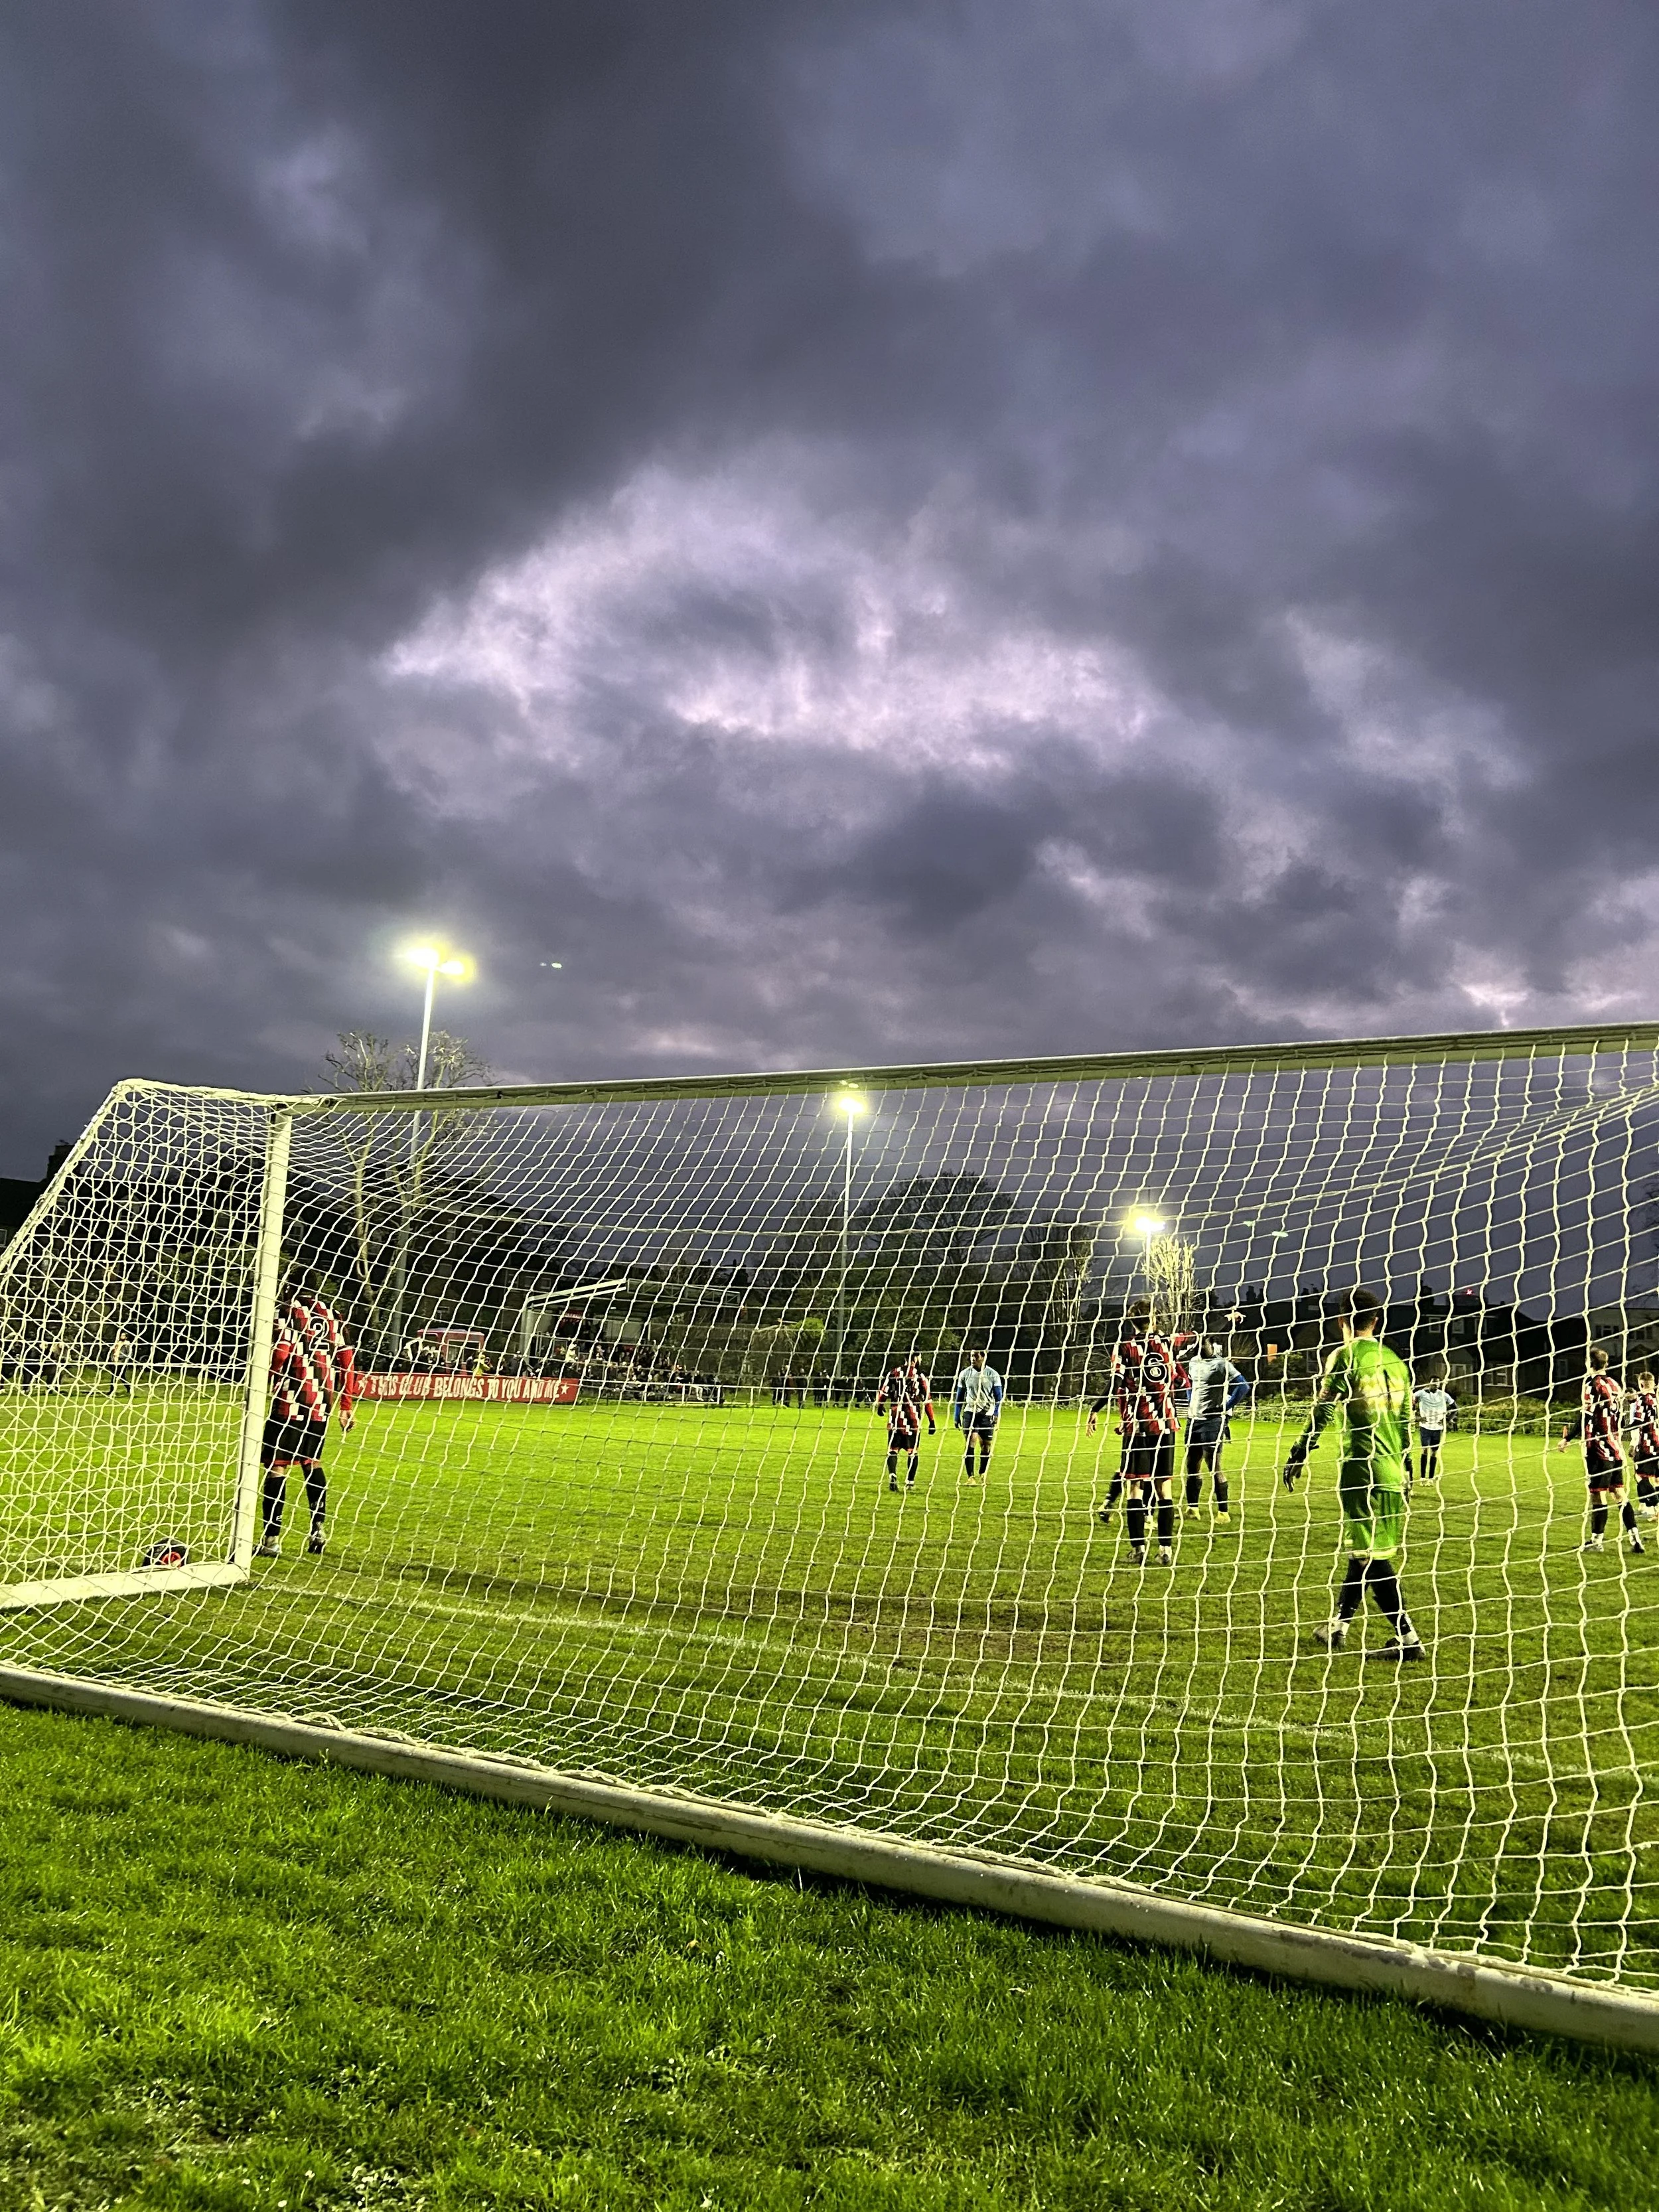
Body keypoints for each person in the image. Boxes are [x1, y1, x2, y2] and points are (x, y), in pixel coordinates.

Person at [1283, 1288, 1426, 1660]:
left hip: (1362, 1467)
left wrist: (1301, 1449)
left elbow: (1324, 1408)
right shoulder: (1396, 1361)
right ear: (1376, 1320)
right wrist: (1407, 1466)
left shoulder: (1343, 1356)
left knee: (1373, 1555)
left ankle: (1408, 1640)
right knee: (1366, 1551)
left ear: (1341, 1319)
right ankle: (1339, 1626)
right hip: (1394, 1468)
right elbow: (1408, 1419)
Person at [255, 1290, 356, 1559]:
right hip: (322, 1402)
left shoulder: (289, 1312)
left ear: (291, 1289)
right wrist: (345, 1406)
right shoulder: (334, 1317)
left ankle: (272, 1539)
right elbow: (347, 1364)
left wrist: (266, 1379)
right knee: (312, 1463)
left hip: (290, 1400)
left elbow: (281, 1353)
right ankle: (318, 1529)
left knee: (278, 1467)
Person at [1089, 1308, 1192, 1564]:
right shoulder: (1168, 1342)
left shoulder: (1125, 1347)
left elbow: (1115, 1383)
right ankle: (1165, 1552)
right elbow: (1198, 1336)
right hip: (1167, 1426)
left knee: (1135, 1488)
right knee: (1164, 1489)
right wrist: (1228, 1320)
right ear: (1154, 1319)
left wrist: (1095, 1408)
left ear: (1131, 1320)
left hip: (1138, 1428)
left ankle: (1138, 1551)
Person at [1559, 1347, 1644, 1556]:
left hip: (1598, 1449)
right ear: (1606, 1364)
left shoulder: (1591, 1384)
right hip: (1616, 1450)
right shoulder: (1615, 1385)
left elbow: (1587, 1416)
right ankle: (1635, 1538)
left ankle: (1597, 1541)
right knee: (1619, 1494)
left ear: (1589, 1364)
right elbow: (1621, 1418)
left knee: (1598, 1496)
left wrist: (1567, 1438)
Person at [1182, 1337, 1248, 1520]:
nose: (1198, 1347)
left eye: (1202, 1344)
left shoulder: (1221, 1364)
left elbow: (1243, 1386)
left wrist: (1226, 1406)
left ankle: (1223, 1513)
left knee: (1214, 1466)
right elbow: (1189, 1383)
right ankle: (1193, 1509)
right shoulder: (1193, 1362)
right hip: (1193, 1420)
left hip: (1213, 1421)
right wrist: (1191, 1402)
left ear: (1210, 1344)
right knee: (1192, 1464)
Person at [876, 1360, 935, 1491]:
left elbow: (884, 1392)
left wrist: (880, 1406)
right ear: (916, 1358)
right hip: (913, 1418)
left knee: (893, 1450)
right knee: (912, 1452)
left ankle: (892, 1475)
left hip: (895, 1417)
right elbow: (927, 1400)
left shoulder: (894, 1372)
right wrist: (932, 1421)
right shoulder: (920, 1375)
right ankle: (910, 1482)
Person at [952, 1348, 1003, 1482]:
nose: (972, 1358)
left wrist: (996, 1412)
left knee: (986, 1446)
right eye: (971, 1356)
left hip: (987, 1414)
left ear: (983, 1357)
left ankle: (982, 1473)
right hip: (970, 1413)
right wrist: (957, 1415)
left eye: (975, 1356)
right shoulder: (965, 1374)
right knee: (971, 1441)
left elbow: (999, 1397)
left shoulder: (993, 1375)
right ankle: (970, 1477)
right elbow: (959, 1397)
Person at [1411, 1372, 1455, 1486]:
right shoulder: (1421, 1393)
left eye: (1437, 1384)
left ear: (1439, 1385)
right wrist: (1416, 1417)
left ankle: (1430, 1479)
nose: (1435, 1386)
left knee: (1434, 1453)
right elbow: (1411, 1402)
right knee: (1425, 1450)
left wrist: (1448, 1419)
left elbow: (1455, 1408)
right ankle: (1422, 1478)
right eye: (1433, 1384)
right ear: (1429, 1384)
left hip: (1437, 1428)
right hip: (1425, 1427)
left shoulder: (1444, 1395)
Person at [1626, 1370, 1659, 1520]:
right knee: (1656, 1478)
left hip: (1648, 1444)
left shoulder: (1643, 1399)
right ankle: (1649, 1509)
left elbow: (1639, 1421)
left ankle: (1655, 1508)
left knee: (1641, 1477)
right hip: (1657, 1443)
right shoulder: (1656, 1398)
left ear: (1641, 1384)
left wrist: (1622, 1428)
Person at [104, 1330, 135, 1396]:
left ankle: (128, 1388)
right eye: (121, 1335)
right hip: (115, 1362)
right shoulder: (118, 1343)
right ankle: (113, 1390)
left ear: (126, 1337)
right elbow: (113, 1351)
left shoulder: (127, 1344)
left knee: (120, 1377)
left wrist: (121, 1357)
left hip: (122, 1363)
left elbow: (130, 1354)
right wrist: (112, 1358)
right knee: (116, 1377)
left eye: (123, 1336)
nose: (122, 1337)